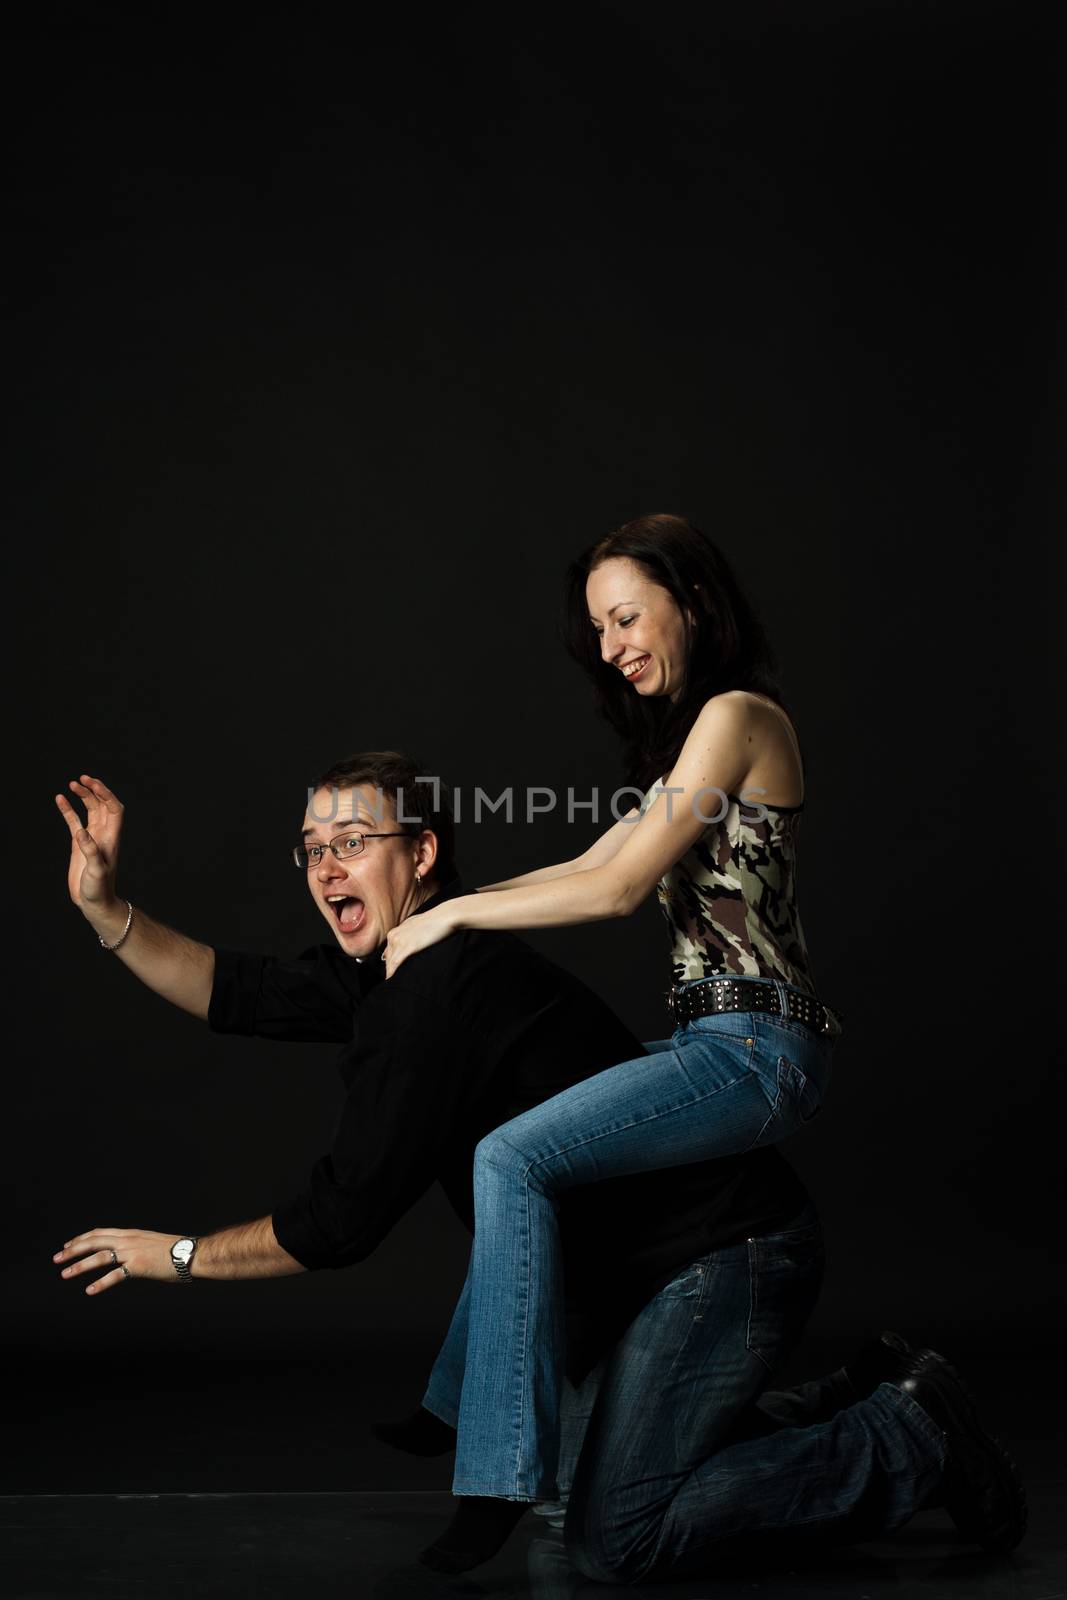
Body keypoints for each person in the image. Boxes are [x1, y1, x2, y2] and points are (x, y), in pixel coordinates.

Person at [53, 755, 1025, 1579]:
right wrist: (107, 908)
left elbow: (337, 1224)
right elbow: (236, 989)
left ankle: (906, 1436)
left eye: (350, 840)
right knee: (586, 1485)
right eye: (311, 847)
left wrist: (170, 1255)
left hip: (723, 1257)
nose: (323, 864)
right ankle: (845, 1398)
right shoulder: (395, 966)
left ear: (422, 852)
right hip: (630, 1282)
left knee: (616, 1535)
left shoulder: (436, 994)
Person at [379, 514, 1024, 1574]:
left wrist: (450, 920)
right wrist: (445, 907)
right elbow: (588, 856)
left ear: (692, 602)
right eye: (594, 628)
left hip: (755, 1048)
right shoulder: (688, 747)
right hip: (711, 1040)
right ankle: (847, 1406)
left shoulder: (737, 714)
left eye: (625, 615)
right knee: (539, 1155)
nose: (609, 645)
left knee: (513, 1157)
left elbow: (619, 889)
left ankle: (484, 1453)